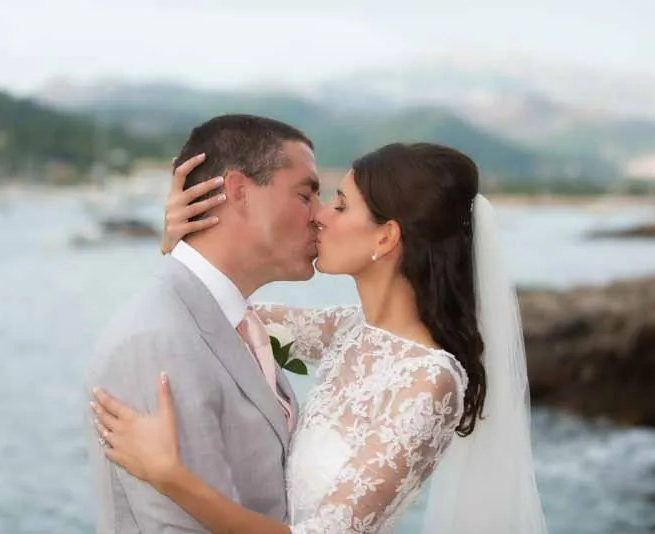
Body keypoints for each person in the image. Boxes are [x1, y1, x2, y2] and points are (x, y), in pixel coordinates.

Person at [90, 140, 549, 532]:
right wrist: (183, 240)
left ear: (386, 238)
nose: (320, 217)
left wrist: (170, 476)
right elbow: (217, 308)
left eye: (341, 205)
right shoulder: (348, 330)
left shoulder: (428, 382)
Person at [85, 114, 322, 533]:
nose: (320, 217)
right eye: (306, 196)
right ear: (238, 192)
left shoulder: (233, 319)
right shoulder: (158, 341)